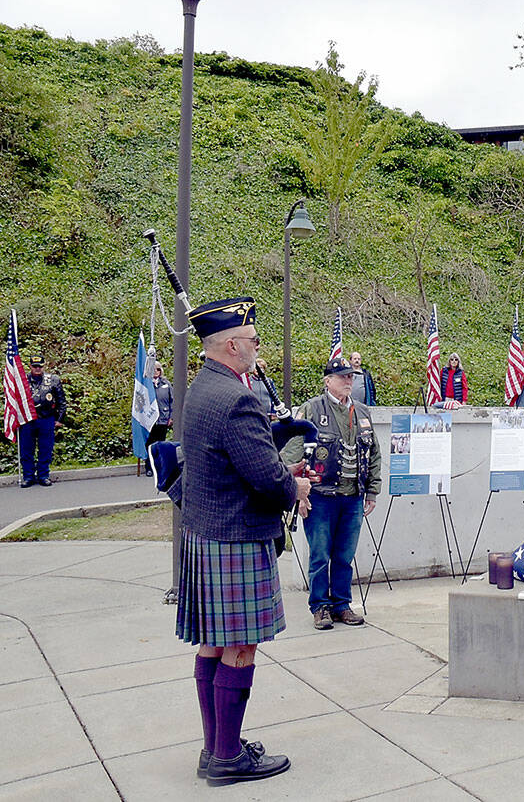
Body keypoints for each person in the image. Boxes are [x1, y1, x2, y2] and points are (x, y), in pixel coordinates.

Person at [176, 296, 310, 786]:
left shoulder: (202, 388)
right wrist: (293, 483)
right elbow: (266, 479)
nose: (258, 346)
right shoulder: (238, 397)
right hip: (235, 536)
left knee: (213, 644)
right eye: (253, 340)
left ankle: (216, 750)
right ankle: (228, 759)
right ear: (232, 344)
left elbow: (239, 461)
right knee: (240, 647)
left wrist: (280, 470)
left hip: (208, 530)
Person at [283, 357, 382, 630]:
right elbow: (293, 450)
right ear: (328, 381)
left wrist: (372, 489)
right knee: (319, 554)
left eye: (351, 377)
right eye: (342, 377)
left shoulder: (362, 412)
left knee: (344, 555)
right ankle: (320, 606)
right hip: (320, 496)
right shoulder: (312, 409)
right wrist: (297, 492)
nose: (348, 382)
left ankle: (341, 604)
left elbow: (373, 452)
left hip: (352, 497)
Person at [18, 354, 66, 487]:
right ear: (30, 366)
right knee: (26, 450)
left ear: (44, 366)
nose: (37, 369)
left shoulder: (53, 380)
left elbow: (61, 401)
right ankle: (28, 477)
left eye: (40, 366)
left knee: (45, 449)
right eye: (35, 366)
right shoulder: (22, 380)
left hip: (46, 419)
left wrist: (60, 419)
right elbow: (15, 400)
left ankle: (43, 475)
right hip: (27, 420)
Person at [144, 361, 174, 477]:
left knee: (160, 444)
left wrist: (171, 417)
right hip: (150, 420)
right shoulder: (146, 385)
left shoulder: (166, 384)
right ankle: (149, 467)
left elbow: (173, 401)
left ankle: (159, 466)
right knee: (150, 444)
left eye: (158, 369)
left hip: (163, 419)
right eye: (154, 369)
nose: (156, 372)